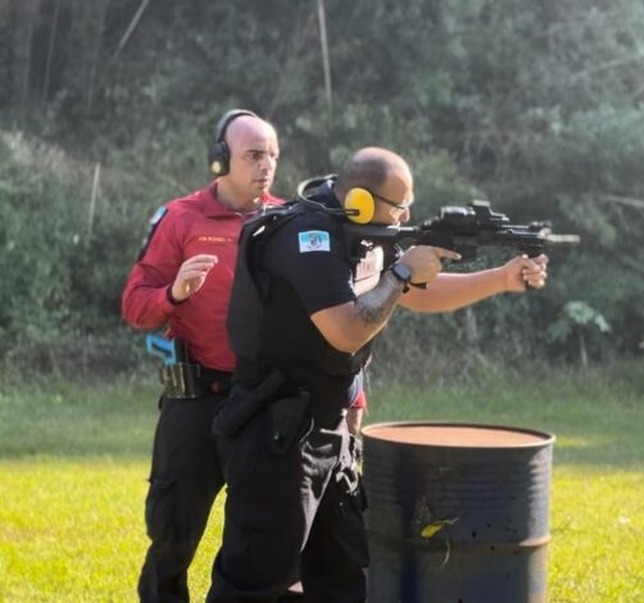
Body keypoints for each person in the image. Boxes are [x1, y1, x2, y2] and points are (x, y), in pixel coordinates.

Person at [206, 146, 550, 602]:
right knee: (255, 580)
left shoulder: (365, 231)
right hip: (276, 434)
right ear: (363, 201)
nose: (406, 215)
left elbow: (415, 294)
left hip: (328, 430)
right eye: (399, 205)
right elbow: (348, 331)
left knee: (342, 576)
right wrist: (405, 271)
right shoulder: (308, 238)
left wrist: (501, 279)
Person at [121, 109, 282, 602]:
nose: (266, 166)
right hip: (194, 400)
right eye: (253, 155)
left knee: (259, 539)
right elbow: (134, 306)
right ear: (220, 161)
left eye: (272, 156)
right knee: (172, 536)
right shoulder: (179, 219)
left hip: (263, 401)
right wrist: (174, 292)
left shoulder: (288, 222)